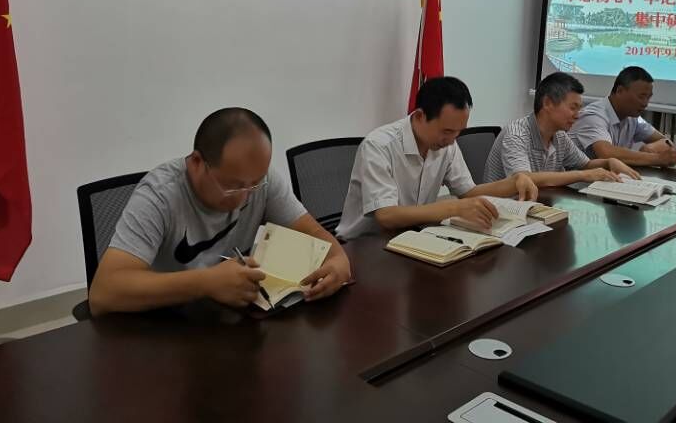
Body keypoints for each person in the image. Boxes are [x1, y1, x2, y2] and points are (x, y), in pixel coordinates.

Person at [89, 108, 352, 316]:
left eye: (254, 184)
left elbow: (315, 234)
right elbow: (103, 293)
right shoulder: (159, 196)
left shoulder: (261, 181)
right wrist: (206, 283)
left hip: (227, 321)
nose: (245, 197)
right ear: (196, 163)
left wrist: (339, 261)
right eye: (232, 186)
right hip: (165, 324)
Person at [335, 77, 538, 240]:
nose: (452, 140)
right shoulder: (379, 146)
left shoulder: (446, 144)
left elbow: (469, 191)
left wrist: (514, 182)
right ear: (420, 116)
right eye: (447, 131)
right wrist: (454, 208)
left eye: (459, 132)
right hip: (364, 245)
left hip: (412, 237)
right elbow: (386, 216)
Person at [483, 72, 639, 187]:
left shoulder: (560, 136)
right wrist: (582, 175)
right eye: (573, 108)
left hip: (538, 206)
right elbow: (523, 179)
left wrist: (609, 162)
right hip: (504, 210)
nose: (577, 115)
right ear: (548, 103)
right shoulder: (516, 134)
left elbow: (585, 165)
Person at [569, 66, 676, 168]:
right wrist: (657, 158)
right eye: (641, 96)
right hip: (574, 180)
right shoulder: (594, 115)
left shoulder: (633, 118)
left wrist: (651, 148)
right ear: (620, 91)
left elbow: (664, 140)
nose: (645, 103)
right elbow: (606, 153)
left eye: (648, 97)